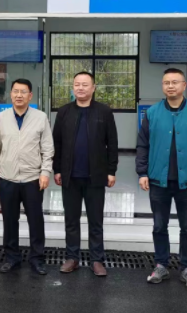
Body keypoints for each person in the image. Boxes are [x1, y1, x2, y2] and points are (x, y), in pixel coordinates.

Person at [136, 68, 187, 290]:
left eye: (175, 82)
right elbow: (142, 145)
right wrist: (142, 172)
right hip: (158, 180)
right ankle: (161, 264)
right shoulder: (152, 113)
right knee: (159, 225)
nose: (170, 86)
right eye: (166, 82)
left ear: (184, 85)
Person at [53, 71, 118, 277]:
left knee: (95, 221)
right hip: (70, 176)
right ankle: (72, 257)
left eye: (85, 84)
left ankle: (97, 260)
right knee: (71, 220)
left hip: (95, 176)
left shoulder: (104, 112)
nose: (80, 88)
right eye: (77, 84)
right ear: (73, 87)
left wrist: (111, 170)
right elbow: (57, 143)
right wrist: (57, 169)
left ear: (93, 87)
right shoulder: (64, 112)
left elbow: (112, 143)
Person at [0, 78, 54, 275]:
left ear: (30, 95)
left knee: (35, 221)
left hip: (32, 178)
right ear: (10, 94)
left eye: (23, 92)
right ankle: (12, 258)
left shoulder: (40, 117)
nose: (19, 95)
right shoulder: (2, 118)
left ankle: (37, 259)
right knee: (9, 221)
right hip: (7, 178)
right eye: (15, 91)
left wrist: (45, 172)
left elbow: (47, 148)